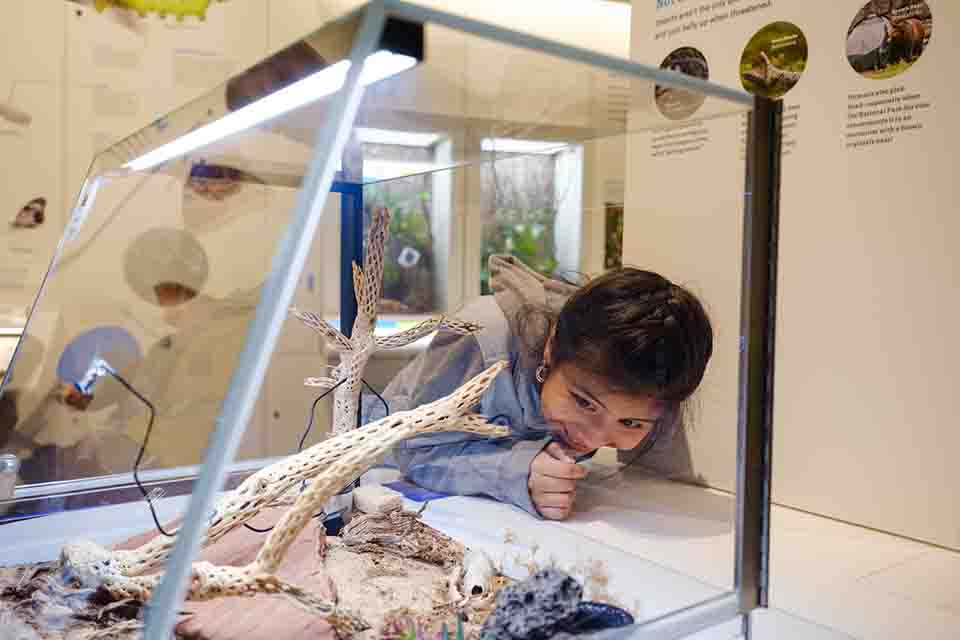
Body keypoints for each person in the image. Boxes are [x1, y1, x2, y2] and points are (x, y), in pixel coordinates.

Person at [362, 255, 713, 521]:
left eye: (630, 424)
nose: (591, 439)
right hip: (380, 470)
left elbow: (663, 482)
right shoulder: (482, 335)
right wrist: (516, 472)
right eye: (584, 403)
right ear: (551, 348)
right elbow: (413, 450)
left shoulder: (655, 373)